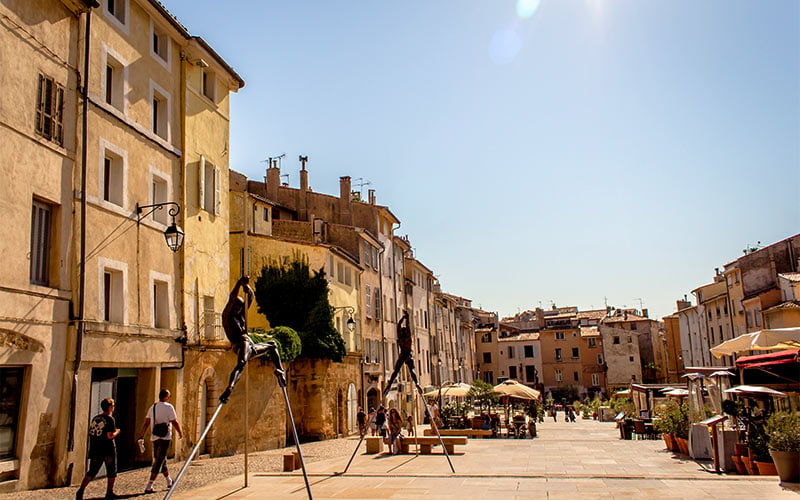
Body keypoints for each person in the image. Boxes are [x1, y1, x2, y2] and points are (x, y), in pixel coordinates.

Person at [220, 276, 275, 403]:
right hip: (239, 344)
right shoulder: (227, 317)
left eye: (239, 306)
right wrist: (239, 284)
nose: (237, 308)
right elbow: (232, 298)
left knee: (272, 345)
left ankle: (280, 371)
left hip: (249, 344)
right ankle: (230, 388)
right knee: (241, 363)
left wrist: (247, 286)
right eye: (235, 306)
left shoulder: (241, 315)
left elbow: (251, 296)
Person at [139, 389, 183, 494]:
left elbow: (147, 423)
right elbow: (174, 421)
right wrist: (180, 432)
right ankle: (149, 485)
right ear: (166, 397)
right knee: (159, 461)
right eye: (169, 396)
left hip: (155, 437)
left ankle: (169, 481)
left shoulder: (153, 407)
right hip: (165, 437)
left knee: (161, 459)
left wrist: (141, 435)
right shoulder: (169, 407)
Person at [76, 398, 120, 500]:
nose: (113, 407)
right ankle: (109, 492)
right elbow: (110, 435)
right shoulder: (110, 419)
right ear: (109, 407)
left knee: (92, 471)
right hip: (108, 449)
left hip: (96, 448)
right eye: (112, 405)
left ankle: (81, 490)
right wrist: (117, 431)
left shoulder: (95, 418)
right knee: (111, 471)